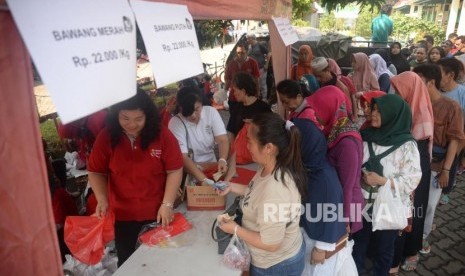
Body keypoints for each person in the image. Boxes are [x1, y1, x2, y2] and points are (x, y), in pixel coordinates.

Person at [88, 90, 184, 267]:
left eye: (138, 119)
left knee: (161, 262)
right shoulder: (106, 137)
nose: (131, 125)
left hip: (157, 212)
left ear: (147, 115)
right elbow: (95, 171)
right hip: (122, 216)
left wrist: (167, 204)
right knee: (129, 263)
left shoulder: (162, 134)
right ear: (116, 115)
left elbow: (175, 170)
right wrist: (101, 199)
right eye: (125, 118)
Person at [217, 113, 307, 275]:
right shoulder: (270, 167)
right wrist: (231, 186)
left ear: (269, 148)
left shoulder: (275, 191)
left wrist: (235, 229)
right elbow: (257, 194)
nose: (247, 146)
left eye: (250, 141)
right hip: (281, 257)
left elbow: (271, 243)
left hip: (276, 266)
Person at [352, 94, 422, 276]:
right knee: (358, 242)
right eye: (373, 109)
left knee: (384, 248)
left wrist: (382, 181)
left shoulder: (407, 146)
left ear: (393, 114)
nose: (372, 113)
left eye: (379, 110)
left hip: (388, 207)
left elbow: (413, 179)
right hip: (362, 203)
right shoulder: (365, 135)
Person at [407, 64, 464, 271]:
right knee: (411, 205)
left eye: (418, 79)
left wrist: (446, 170)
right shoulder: (412, 103)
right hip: (413, 164)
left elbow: (456, 140)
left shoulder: (451, 107)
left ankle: (421, 238)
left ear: (431, 82)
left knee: (429, 205)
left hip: (437, 165)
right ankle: (410, 236)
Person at [293, 117, 357, 275]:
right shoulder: (311, 168)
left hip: (321, 244)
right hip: (311, 232)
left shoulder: (324, 179)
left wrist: (322, 248)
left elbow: (332, 213)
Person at [389, 72, 434, 274]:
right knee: (402, 208)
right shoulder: (404, 108)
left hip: (416, 163)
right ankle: (397, 247)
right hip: (404, 162)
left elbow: (417, 143)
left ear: (409, 90)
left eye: (398, 90)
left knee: (415, 208)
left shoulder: (419, 112)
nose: (395, 94)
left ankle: (412, 250)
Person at [307, 86, 365, 235]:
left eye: (318, 109)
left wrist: (344, 222)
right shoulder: (334, 130)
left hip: (346, 209)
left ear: (329, 109)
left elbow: (348, 185)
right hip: (336, 204)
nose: (315, 115)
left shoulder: (347, 143)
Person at [168, 86, 232, 183]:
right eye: (188, 112)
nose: (193, 115)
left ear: (201, 103)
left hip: (213, 164)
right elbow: (183, 158)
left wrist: (222, 159)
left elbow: (222, 140)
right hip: (191, 169)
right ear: (180, 109)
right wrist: (204, 179)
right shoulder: (175, 123)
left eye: (197, 109)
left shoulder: (211, 112)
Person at [224, 44, 260, 143]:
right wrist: (223, 91)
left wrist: (257, 92)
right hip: (233, 98)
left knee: (248, 120)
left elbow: (257, 79)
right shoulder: (231, 63)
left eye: (242, 52)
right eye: (238, 53)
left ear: (246, 52)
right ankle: (237, 141)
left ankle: (247, 140)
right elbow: (227, 79)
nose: (240, 55)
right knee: (235, 120)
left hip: (248, 98)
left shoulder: (252, 62)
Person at [247, 33, 269, 101]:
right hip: (252, 69)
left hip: (261, 67)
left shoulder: (260, 45)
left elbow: (269, 53)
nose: (247, 40)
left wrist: (266, 64)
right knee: (255, 83)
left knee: (262, 83)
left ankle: (264, 99)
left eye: (248, 39)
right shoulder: (249, 46)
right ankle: (257, 97)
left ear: (252, 38)